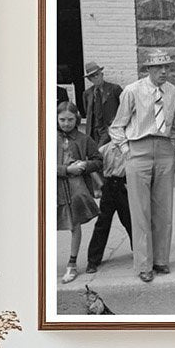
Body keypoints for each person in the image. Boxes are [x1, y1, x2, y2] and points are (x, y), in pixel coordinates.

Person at [108, 50, 175, 283]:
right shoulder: (132, 91)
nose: (163, 72)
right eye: (158, 68)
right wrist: (126, 151)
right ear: (148, 70)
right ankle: (143, 264)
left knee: (163, 209)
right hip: (138, 150)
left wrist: (174, 147)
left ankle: (161, 260)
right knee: (140, 211)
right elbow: (116, 126)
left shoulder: (173, 92)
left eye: (166, 67)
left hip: (163, 150)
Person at [56, 101, 101, 284]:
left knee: (75, 224)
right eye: (62, 119)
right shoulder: (48, 137)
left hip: (75, 187)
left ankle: (72, 264)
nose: (66, 123)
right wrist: (66, 170)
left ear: (77, 119)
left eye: (70, 119)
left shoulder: (84, 139)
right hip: (55, 185)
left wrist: (84, 166)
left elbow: (98, 160)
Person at [85, 139, 133, 275]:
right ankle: (93, 260)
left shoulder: (131, 147)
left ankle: (139, 253)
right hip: (109, 185)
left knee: (130, 220)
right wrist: (100, 184)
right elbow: (92, 167)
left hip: (124, 186)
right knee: (102, 223)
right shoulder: (104, 149)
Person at [82, 61, 123, 147]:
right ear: (89, 79)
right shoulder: (87, 93)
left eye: (97, 74)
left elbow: (124, 109)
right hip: (94, 131)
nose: (96, 77)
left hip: (109, 129)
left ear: (102, 74)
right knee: (95, 155)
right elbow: (88, 112)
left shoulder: (114, 89)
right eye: (92, 76)